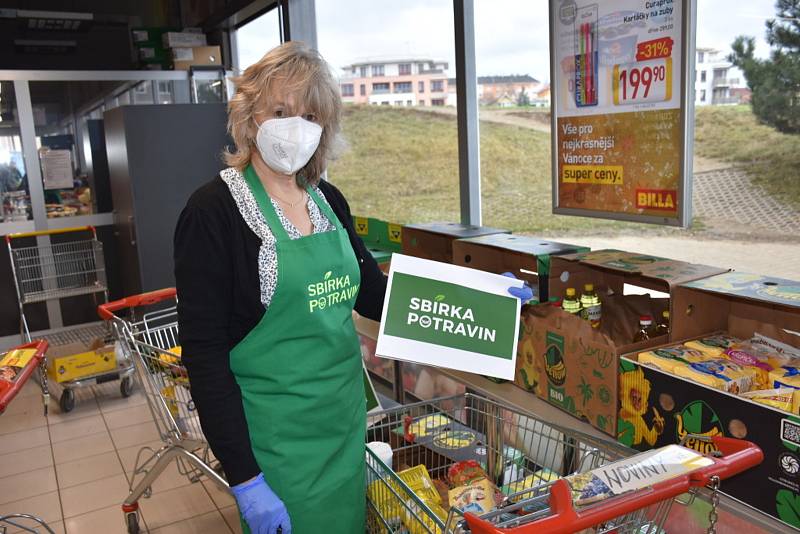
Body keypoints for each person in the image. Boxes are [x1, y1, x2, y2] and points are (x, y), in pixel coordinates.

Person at [174, 41, 532, 534]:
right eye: (280, 110)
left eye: (310, 115)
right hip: (276, 445)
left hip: (344, 427)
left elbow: (376, 296)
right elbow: (205, 356)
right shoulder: (212, 214)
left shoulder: (327, 201)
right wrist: (245, 479)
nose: (294, 125)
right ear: (250, 113)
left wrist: (482, 297)